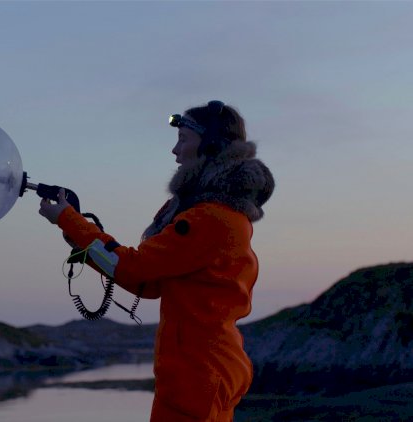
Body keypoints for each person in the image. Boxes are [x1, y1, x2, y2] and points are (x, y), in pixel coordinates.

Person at [38, 101, 274, 421]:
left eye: (183, 140)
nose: (175, 151)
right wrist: (78, 236)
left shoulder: (210, 219)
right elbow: (146, 283)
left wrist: (68, 220)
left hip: (197, 377)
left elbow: (134, 268)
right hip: (198, 373)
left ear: (211, 147)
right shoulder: (212, 215)